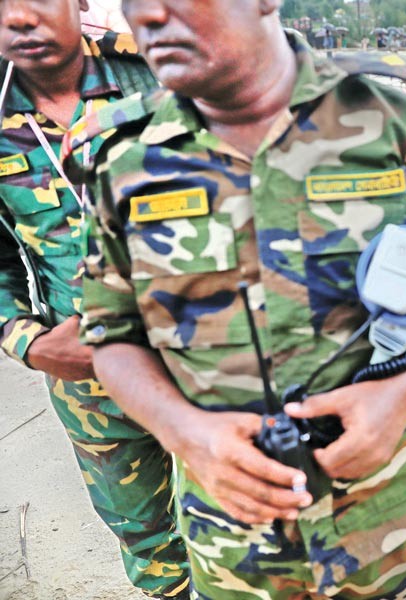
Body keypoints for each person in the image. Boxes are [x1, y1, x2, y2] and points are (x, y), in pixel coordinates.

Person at [70, 1, 406, 597]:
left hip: (385, 530)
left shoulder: (389, 116)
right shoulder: (125, 158)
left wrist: (400, 392)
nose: (152, 16)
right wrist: (185, 431)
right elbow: (110, 334)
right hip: (232, 548)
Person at [0, 1, 189, 597]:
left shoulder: (166, 67)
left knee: (260, 520)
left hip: (221, 358)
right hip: (91, 377)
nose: (17, 17)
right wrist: (26, 341)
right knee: (149, 540)